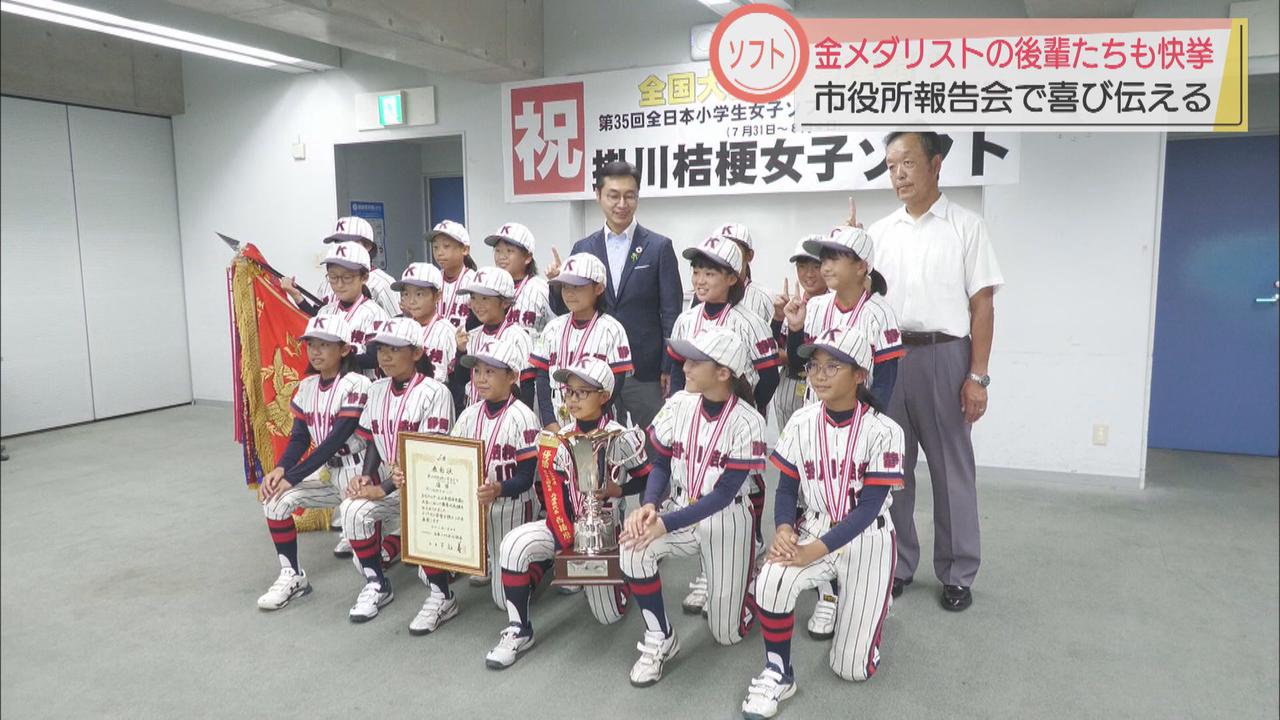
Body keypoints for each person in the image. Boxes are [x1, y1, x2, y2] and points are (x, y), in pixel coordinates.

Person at [863, 131, 1004, 612]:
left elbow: (982, 306)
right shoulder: (879, 234)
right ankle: (899, 564)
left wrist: (977, 376)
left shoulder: (966, 226)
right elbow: (860, 302)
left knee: (952, 469)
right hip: (888, 359)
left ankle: (957, 570)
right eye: (891, 166)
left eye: (908, 163)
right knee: (892, 469)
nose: (898, 174)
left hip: (947, 356)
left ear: (935, 164)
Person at [741, 328, 905, 719]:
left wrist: (813, 551)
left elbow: (868, 508)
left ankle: (869, 602)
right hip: (812, 525)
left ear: (860, 374)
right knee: (770, 579)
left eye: (834, 366)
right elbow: (785, 490)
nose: (820, 374)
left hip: (867, 537)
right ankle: (779, 672)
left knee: (851, 669)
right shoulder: (801, 420)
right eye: (814, 365)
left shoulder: (884, 430)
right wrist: (783, 529)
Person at [619, 329, 767, 688]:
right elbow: (660, 464)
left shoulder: (749, 421)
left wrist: (665, 523)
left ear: (723, 373)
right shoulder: (679, 403)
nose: (684, 366)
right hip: (678, 504)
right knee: (632, 548)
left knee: (726, 633)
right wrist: (651, 506)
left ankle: (750, 583)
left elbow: (723, 494)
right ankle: (660, 637)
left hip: (727, 516)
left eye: (695, 361)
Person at [483, 357, 651, 669]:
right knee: (513, 545)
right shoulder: (556, 438)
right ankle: (520, 629)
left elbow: (648, 478)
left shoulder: (620, 435)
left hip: (605, 534)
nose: (572, 400)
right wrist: (564, 538)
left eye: (582, 392)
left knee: (608, 617)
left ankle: (622, 575)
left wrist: (619, 490)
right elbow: (550, 493)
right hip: (562, 525)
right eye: (569, 392)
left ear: (604, 396)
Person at [667, 234, 781, 615]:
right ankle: (705, 570)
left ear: (733, 277)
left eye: (710, 272)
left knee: (741, 489)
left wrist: (748, 409)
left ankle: (748, 556)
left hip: (736, 420)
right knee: (699, 485)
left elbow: (769, 376)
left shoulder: (750, 321)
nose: (700, 279)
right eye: (696, 270)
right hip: (694, 420)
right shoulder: (686, 319)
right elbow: (674, 367)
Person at [403, 341, 542, 634]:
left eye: (490, 371)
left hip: (511, 507)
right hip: (472, 506)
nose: (480, 378)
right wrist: (412, 475)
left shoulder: (523, 416)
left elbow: (527, 477)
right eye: (477, 371)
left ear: (512, 376)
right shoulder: (468, 414)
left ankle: (540, 563)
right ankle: (443, 596)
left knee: (504, 601)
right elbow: (447, 459)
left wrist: (498, 489)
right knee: (425, 549)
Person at [546, 160, 683, 430]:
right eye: (613, 195)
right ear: (598, 196)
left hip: (645, 369)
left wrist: (668, 366)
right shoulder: (583, 247)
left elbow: (671, 312)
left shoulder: (658, 247)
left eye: (629, 195)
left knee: (653, 442)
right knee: (598, 442)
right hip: (593, 369)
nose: (622, 203)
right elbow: (566, 309)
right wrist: (555, 284)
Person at [339, 317, 454, 623]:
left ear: (416, 353)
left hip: (430, 490)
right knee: (351, 510)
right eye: (380, 349)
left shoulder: (434, 391)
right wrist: (367, 474)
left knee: (428, 568)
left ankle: (443, 596)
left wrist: (382, 488)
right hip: (393, 482)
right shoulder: (377, 389)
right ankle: (377, 583)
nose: (385, 356)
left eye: (394, 349)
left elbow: (427, 457)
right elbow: (374, 438)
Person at [255, 315, 370, 610]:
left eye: (324, 345)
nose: (315, 351)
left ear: (344, 349)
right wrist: (281, 469)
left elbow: (336, 438)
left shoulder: (356, 383)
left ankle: (378, 579)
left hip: (361, 473)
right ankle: (292, 575)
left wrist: (293, 476)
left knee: (365, 554)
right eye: (311, 345)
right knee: (275, 501)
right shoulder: (306, 387)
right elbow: (299, 439)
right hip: (329, 471)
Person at [784, 224, 904, 409]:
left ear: (861, 267)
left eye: (834, 259)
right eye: (824, 260)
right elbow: (798, 367)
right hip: (816, 416)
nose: (826, 268)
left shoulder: (881, 314)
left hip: (859, 420)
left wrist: (867, 423)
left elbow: (884, 384)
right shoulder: (815, 306)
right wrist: (796, 329)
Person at [530, 253, 633, 430]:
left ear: (599, 288)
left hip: (597, 425)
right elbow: (541, 378)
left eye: (577, 287)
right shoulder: (552, 328)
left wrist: (590, 421)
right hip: (557, 417)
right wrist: (549, 421)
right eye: (565, 286)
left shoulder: (612, 329)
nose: (569, 293)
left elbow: (616, 383)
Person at [283, 242, 389, 361]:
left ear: (364, 277)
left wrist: (336, 353)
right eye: (333, 277)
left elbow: (374, 357)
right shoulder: (325, 311)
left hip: (364, 378)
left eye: (347, 278)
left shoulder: (375, 313)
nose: (339, 284)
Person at [454, 267, 536, 409]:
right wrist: (461, 351)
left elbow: (526, 385)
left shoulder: (518, 336)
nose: (477, 305)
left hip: (508, 415)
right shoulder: (472, 335)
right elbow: (461, 380)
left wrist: (522, 417)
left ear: (504, 302)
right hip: (475, 414)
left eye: (485, 298)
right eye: (473, 297)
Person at [771, 237, 829, 430]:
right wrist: (778, 317)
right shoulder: (790, 304)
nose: (809, 274)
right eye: (802, 266)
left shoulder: (836, 306)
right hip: (789, 383)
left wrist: (787, 355)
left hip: (821, 384)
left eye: (816, 266)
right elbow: (771, 350)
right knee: (787, 449)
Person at [319, 216, 401, 317]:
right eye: (337, 242)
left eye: (348, 242)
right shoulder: (328, 281)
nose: (342, 247)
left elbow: (396, 325)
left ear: (368, 246)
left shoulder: (383, 283)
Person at [391, 262, 456, 385]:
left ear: (437, 296)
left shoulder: (448, 331)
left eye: (419, 294)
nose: (411, 301)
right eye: (406, 294)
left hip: (437, 395)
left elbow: (455, 379)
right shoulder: (398, 329)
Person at [484, 222, 553, 333]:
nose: (502, 256)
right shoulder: (485, 288)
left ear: (527, 257)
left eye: (509, 251)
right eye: (498, 250)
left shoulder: (541, 289)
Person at [706, 222, 773, 324]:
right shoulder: (701, 294)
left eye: (734, 249)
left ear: (750, 255)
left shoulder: (765, 297)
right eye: (722, 250)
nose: (727, 256)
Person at [428, 219, 478, 330]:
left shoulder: (474, 280)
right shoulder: (432, 279)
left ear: (465, 249)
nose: (439, 253)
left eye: (446, 246)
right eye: (435, 247)